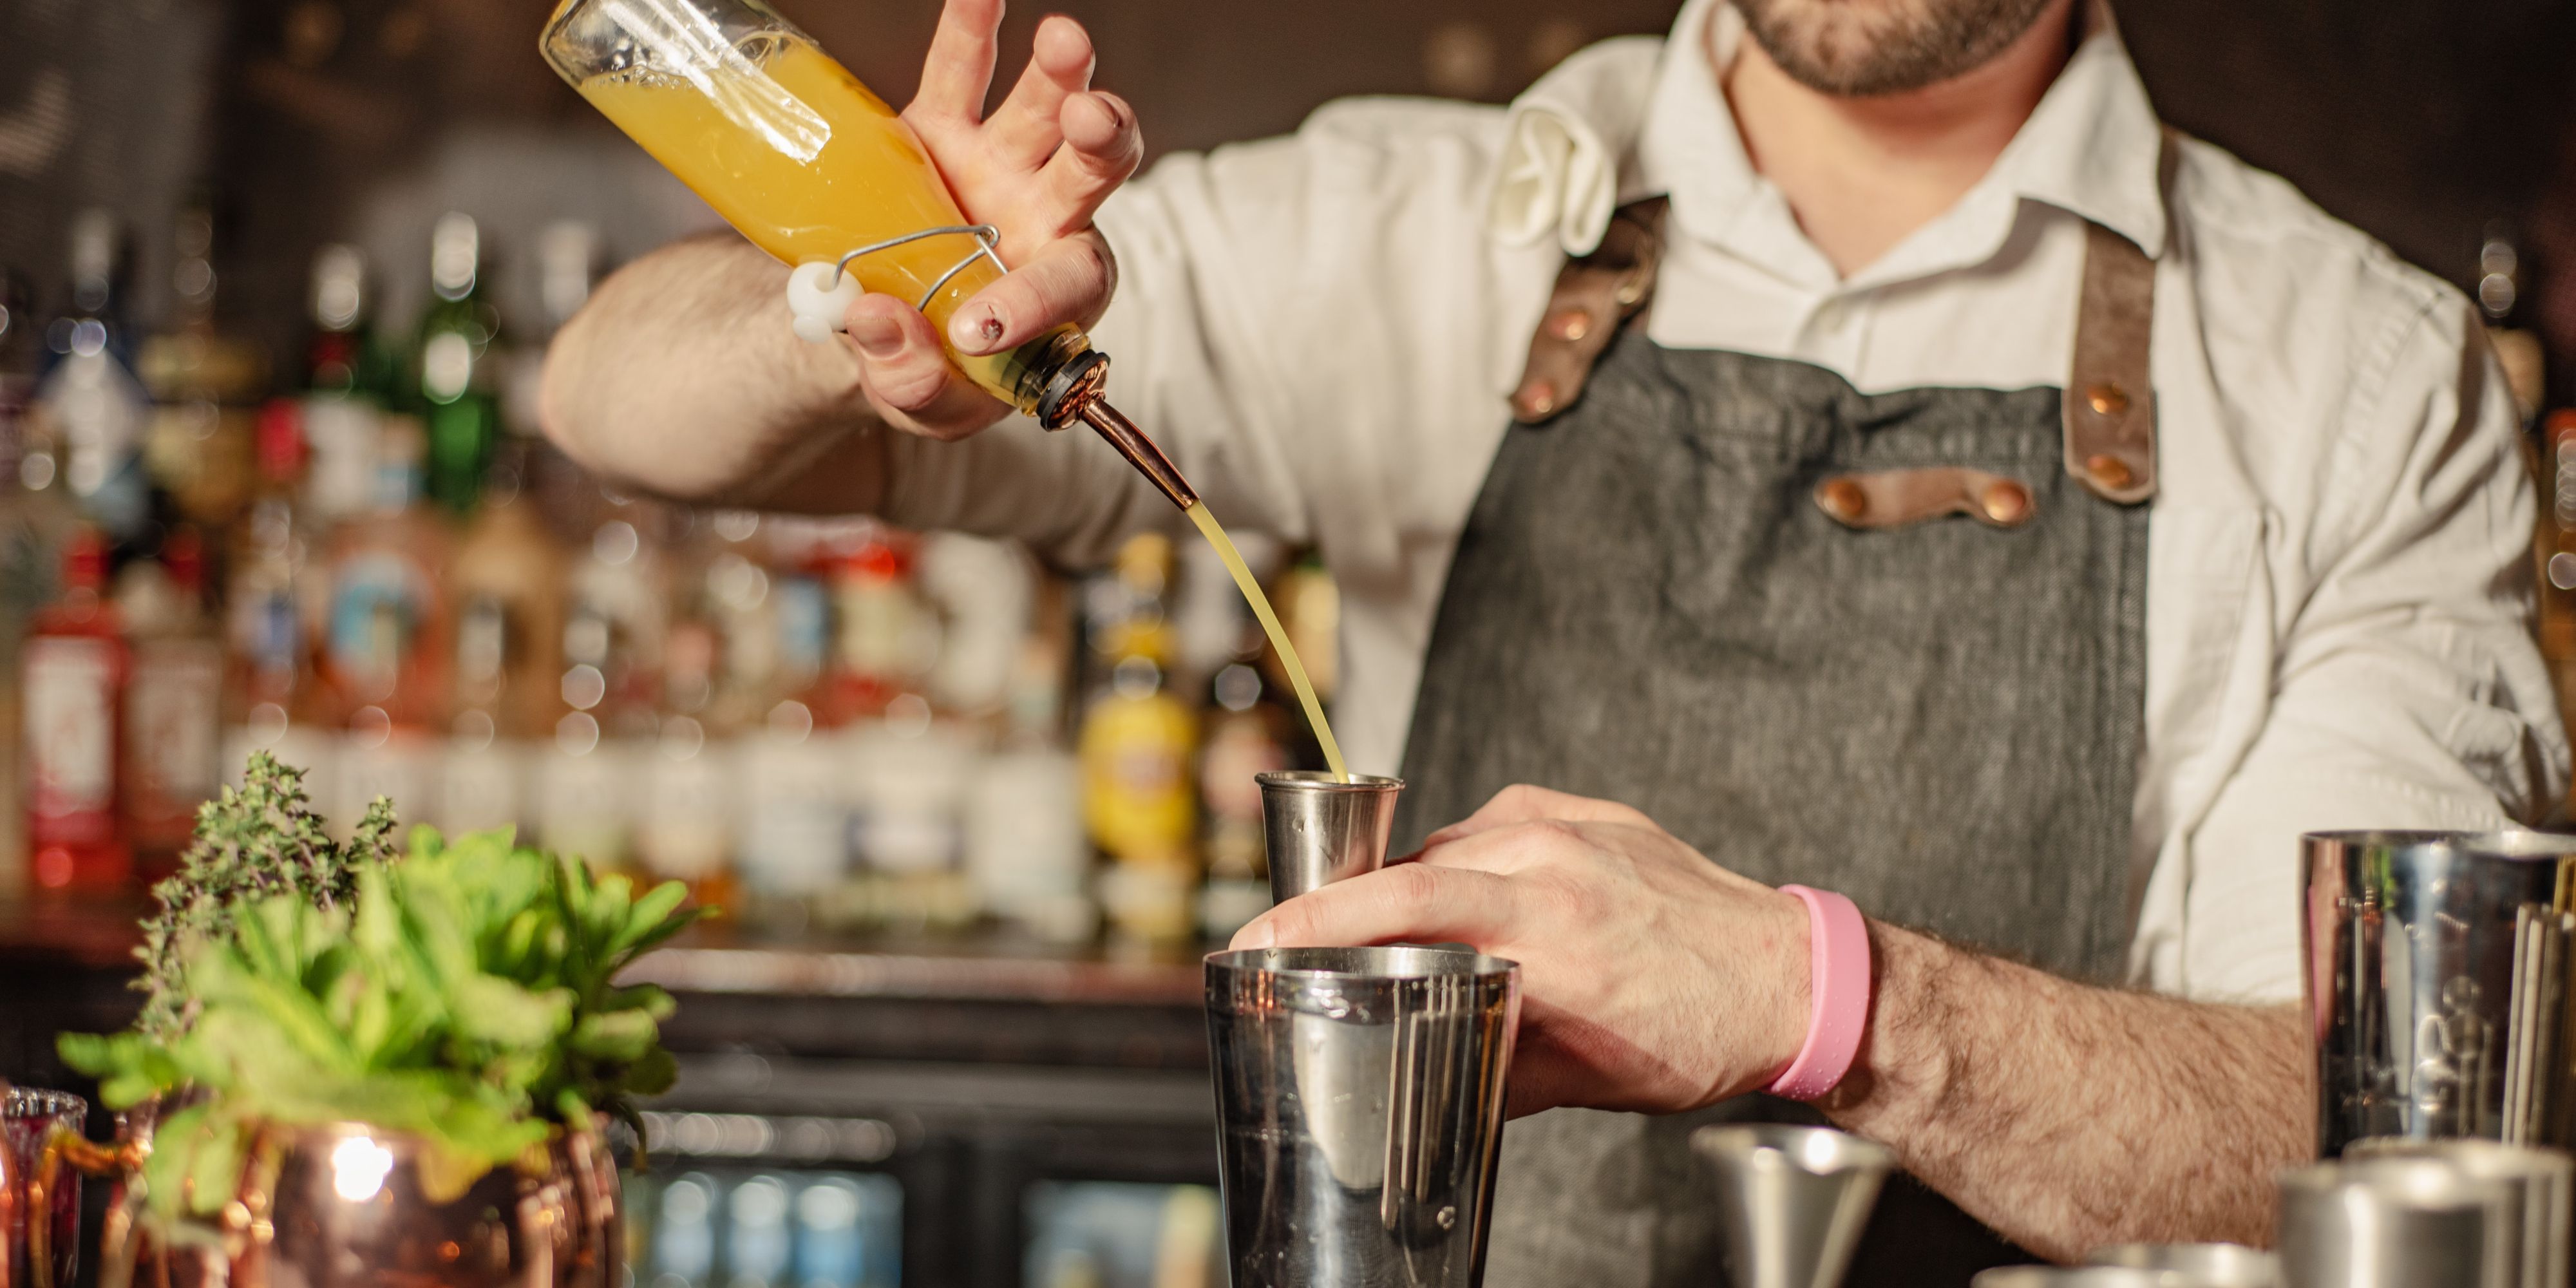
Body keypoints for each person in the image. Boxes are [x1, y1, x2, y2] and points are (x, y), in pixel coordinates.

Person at [542, 0, 2569, 1278]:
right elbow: (612, 401)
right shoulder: (1442, 224)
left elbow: (2386, 1154)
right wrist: (857, 312)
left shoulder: (2356, 377)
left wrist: (1817, 995)